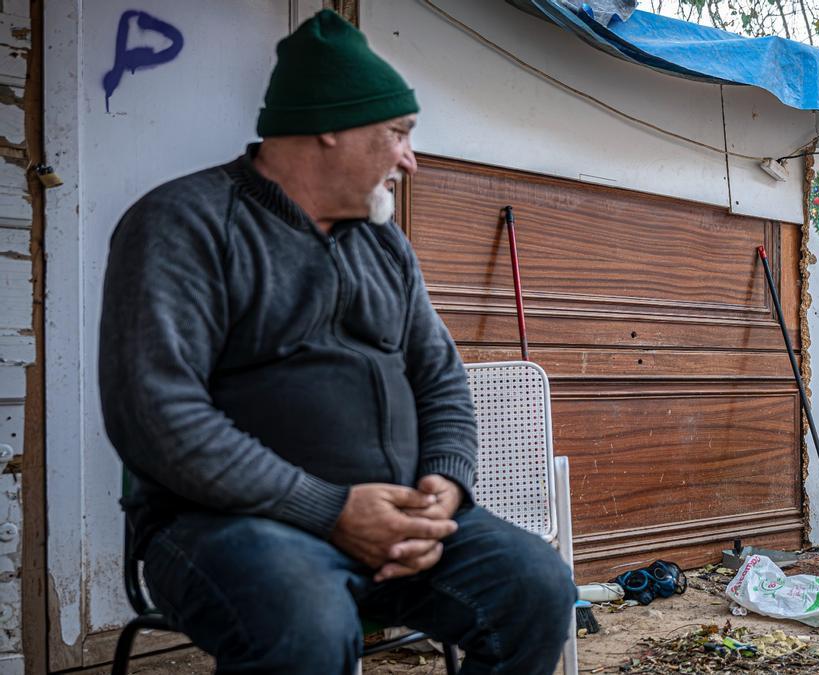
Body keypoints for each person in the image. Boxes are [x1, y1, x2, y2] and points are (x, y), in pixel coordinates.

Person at [98, 10, 574, 674]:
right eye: (399, 134)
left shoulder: (385, 244)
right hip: (224, 526)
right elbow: (158, 416)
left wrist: (445, 484)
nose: (411, 158)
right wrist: (331, 510)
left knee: (537, 584)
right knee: (302, 617)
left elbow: (441, 380)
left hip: (399, 523)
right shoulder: (183, 224)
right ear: (330, 127)